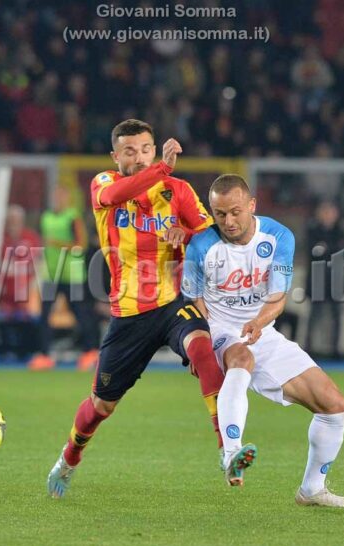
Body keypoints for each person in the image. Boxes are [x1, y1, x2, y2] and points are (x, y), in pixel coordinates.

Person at [47, 119, 226, 498]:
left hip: (174, 302)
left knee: (203, 348)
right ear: (115, 156)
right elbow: (118, 194)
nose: (140, 157)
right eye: (130, 151)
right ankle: (69, 457)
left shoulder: (177, 190)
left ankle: (228, 447)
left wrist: (186, 235)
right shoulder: (104, 184)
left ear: (154, 149)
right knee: (101, 406)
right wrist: (161, 167)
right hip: (129, 315)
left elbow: (213, 238)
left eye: (146, 149)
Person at [182, 174, 344, 507]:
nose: (228, 221)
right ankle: (231, 454)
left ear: (252, 205)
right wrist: (200, 346)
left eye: (235, 212)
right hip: (219, 329)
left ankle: (312, 489)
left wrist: (259, 322)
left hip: (262, 331)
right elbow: (195, 303)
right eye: (220, 214)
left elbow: (278, 298)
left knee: (333, 405)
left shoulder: (278, 236)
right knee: (241, 358)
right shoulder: (201, 246)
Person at [37, 185, 100, 371]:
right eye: (56, 196)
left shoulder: (73, 217)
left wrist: (57, 244)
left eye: (61, 196)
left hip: (72, 274)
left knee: (80, 313)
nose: (58, 199)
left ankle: (90, 352)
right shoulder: (46, 217)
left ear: (67, 198)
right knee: (44, 314)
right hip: (51, 273)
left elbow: (81, 244)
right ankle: (44, 355)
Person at [0, 205, 44, 363]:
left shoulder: (30, 237)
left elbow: (38, 262)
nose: (13, 223)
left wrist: (34, 285)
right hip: (5, 291)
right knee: (5, 319)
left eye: (16, 220)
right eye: (10, 220)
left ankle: (27, 351)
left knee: (27, 318)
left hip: (26, 289)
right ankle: (6, 351)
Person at [305, 201, 344, 359]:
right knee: (314, 316)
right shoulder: (312, 231)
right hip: (317, 280)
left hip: (336, 280)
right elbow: (313, 251)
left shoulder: (341, 232)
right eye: (325, 212)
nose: (328, 216)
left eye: (330, 213)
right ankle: (309, 347)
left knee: (337, 317)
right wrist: (330, 249)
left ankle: (336, 349)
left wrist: (325, 248)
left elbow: (343, 253)